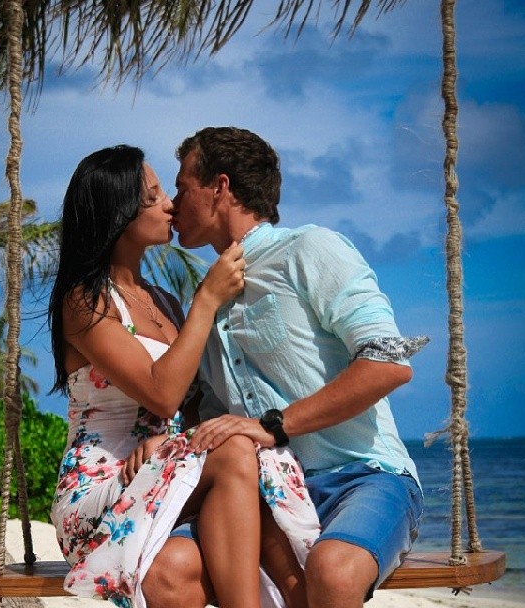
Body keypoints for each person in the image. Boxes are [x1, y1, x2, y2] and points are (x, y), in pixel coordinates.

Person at [142, 127, 427, 608]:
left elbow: (388, 364)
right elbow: (206, 413)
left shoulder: (309, 249)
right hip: (258, 498)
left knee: (333, 572)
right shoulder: (204, 302)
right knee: (166, 571)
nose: (173, 204)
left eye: (182, 187)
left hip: (362, 476)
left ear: (220, 188)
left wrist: (275, 425)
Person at [48, 145, 319, 608]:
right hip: (101, 491)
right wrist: (207, 300)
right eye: (153, 197)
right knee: (235, 448)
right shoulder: (85, 301)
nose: (170, 205)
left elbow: (190, 408)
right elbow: (162, 394)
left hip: (161, 474)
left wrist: (165, 444)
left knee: (177, 567)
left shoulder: (165, 303)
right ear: (119, 214)